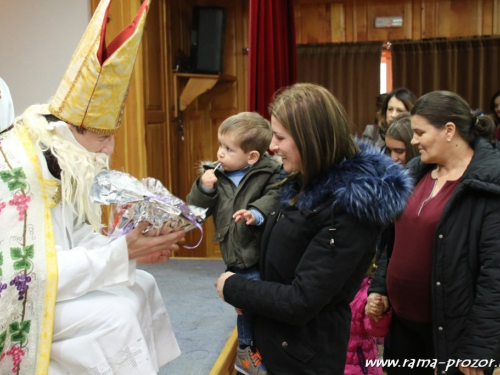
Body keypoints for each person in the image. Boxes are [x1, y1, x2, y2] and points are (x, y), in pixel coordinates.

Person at [0, 1, 186, 374]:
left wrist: (130, 250)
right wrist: (118, 254)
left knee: (143, 285)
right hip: (18, 301)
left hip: (52, 280)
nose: (110, 149)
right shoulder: (17, 171)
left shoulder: (62, 155)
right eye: (103, 137)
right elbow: (28, 273)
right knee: (114, 316)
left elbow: (78, 236)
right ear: (71, 129)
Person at [214, 83, 412, 375]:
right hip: (279, 342)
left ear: (309, 139)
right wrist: (252, 297)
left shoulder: (347, 207)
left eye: (280, 137)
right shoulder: (302, 179)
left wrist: (235, 287)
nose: (272, 147)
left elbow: (301, 300)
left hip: (304, 356)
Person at [366, 90, 500, 375]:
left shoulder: (487, 183)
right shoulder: (417, 171)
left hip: (452, 332)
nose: (413, 141)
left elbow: (495, 275)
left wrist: (479, 348)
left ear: (449, 131)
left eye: (420, 132)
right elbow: (392, 240)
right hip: (403, 325)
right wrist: (380, 287)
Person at [187, 111, 281, 375]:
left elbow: (276, 195)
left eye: (228, 148)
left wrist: (256, 212)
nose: (220, 153)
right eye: (220, 145)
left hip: (264, 250)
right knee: (245, 305)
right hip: (237, 254)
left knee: (267, 303)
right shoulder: (213, 174)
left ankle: (262, 348)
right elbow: (196, 209)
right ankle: (245, 350)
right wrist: (204, 189)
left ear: (252, 156)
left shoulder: (270, 171)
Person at [345, 261, 392, 375]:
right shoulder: (326, 289)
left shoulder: (367, 292)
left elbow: (377, 330)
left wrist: (378, 310)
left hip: (359, 366)